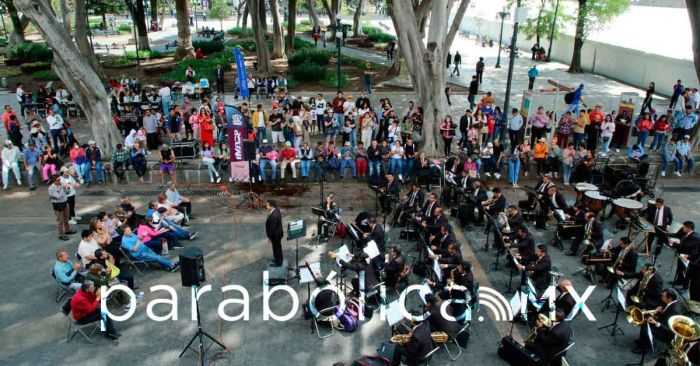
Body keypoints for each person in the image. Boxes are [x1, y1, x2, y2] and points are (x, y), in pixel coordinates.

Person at [632, 289, 685, 354]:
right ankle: (642, 341)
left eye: (663, 296)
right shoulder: (674, 303)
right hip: (665, 322)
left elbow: (670, 329)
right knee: (646, 320)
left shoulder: (674, 311)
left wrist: (656, 323)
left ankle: (644, 348)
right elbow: (667, 314)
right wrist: (662, 311)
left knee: (647, 326)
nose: (661, 297)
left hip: (668, 333)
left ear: (669, 298)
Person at [48, 174, 76, 241]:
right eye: (57, 180)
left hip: (65, 203)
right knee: (60, 220)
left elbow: (67, 193)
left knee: (66, 218)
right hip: (58, 205)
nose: (59, 181)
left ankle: (68, 230)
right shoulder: (51, 188)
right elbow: (58, 196)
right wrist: (62, 188)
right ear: (53, 181)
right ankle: (61, 235)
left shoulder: (61, 184)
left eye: (59, 180)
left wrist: (67, 188)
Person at [265, 199, 284, 266]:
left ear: (271, 206)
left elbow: (272, 229)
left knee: (276, 248)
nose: (266, 206)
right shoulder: (276, 210)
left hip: (275, 235)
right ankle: (278, 259)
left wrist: (269, 237)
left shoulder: (273, 216)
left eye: (267, 205)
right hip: (278, 233)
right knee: (277, 247)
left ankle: (278, 262)